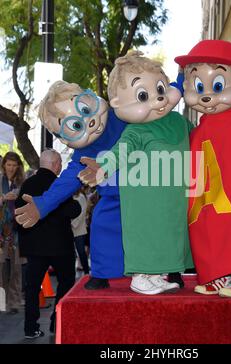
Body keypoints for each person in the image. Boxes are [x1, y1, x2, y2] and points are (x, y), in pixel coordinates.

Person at [80, 51, 194, 294]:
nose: (158, 100)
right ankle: (141, 275)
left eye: (161, 90)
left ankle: (158, 274)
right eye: (143, 95)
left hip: (173, 199)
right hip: (146, 201)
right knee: (146, 232)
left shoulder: (177, 122)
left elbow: (200, 139)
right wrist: (103, 167)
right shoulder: (135, 132)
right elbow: (119, 152)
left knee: (169, 233)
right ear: (119, 105)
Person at [15, 81, 127, 290]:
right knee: (101, 225)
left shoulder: (124, 115)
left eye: (86, 109)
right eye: (76, 126)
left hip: (147, 192)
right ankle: (102, 273)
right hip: (114, 198)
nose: (90, 122)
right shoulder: (83, 155)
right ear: (63, 139)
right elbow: (65, 183)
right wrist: (42, 205)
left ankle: (170, 270)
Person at [175, 40, 231, 298]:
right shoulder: (198, 128)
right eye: (199, 86)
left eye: (217, 86)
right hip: (204, 195)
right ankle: (215, 275)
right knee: (206, 233)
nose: (206, 95)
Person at [16, 149, 81, 339]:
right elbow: (72, 210)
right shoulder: (58, 184)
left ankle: (30, 328)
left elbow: (20, 215)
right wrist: (75, 203)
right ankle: (57, 322)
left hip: (34, 247)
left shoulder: (27, 184)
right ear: (54, 164)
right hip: (60, 246)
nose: (61, 167)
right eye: (60, 164)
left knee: (32, 287)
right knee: (66, 283)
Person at [0, 152, 25, 314]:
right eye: (8, 164)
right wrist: (2, 199)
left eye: (14, 165)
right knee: (1, 268)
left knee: (16, 269)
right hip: (1, 232)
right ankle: (2, 301)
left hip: (16, 231)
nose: (11, 168)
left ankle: (14, 301)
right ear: (4, 166)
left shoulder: (22, 183)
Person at [72, 187, 90, 275]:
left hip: (79, 230)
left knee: (81, 252)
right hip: (70, 230)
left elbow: (82, 213)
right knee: (71, 253)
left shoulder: (81, 197)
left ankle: (86, 272)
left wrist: (72, 223)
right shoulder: (69, 197)